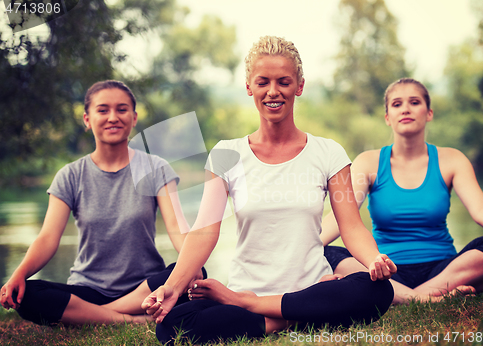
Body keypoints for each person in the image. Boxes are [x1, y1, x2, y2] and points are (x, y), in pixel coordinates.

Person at [141, 36, 397, 345]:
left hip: (307, 289)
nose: (273, 92)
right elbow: (204, 233)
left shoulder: (328, 152)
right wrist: (171, 287)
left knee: (378, 290)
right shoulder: (226, 154)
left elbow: (351, 226)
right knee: (171, 325)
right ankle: (297, 316)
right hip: (249, 288)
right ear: (249, 86)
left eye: (283, 82)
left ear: (299, 86)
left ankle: (259, 310)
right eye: (262, 82)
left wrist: (373, 260)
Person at [0, 80, 204, 325]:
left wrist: (193, 266)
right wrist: (19, 274)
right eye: (103, 110)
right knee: (29, 295)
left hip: (144, 286)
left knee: (194, 272)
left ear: (134, 117)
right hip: (88, 289)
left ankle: (93, 315)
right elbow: (47, 238)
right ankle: (131, 319)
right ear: (87, 119)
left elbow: (175, 226)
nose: (113, 117)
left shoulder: (155, 167)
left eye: (121, 109)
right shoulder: (70, 175)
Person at [322, 78, 483, 304]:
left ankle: (401, 299)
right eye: (396, 104)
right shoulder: (369, 162)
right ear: (387, 117)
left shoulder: (452, 160)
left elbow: (482, 210)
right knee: (327, 253)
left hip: (444, 269)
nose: (405, 108)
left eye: (414, 102)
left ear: (429, 113)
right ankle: (426, 299)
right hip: (385, 271)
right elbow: (342, 218)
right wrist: (308, 246)